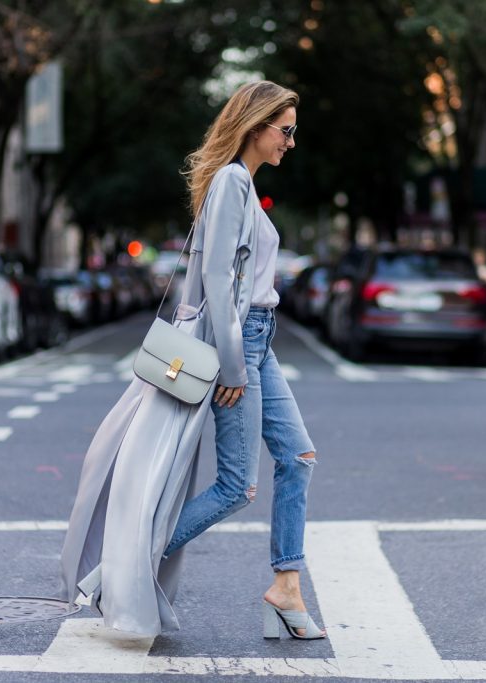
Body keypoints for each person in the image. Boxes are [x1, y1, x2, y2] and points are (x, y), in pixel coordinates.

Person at [59, 81, 324, 640]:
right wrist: (232, 367)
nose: (291, 142)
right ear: (256, 127)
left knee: (297, 457)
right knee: (236, 486)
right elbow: (216, 281)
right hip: (240, 344)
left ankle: (286, 585)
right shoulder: (231, 181)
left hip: (260, 339)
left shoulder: (244, 186)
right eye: (287, 130)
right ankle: (120, 567)